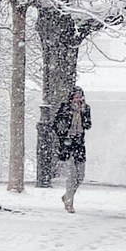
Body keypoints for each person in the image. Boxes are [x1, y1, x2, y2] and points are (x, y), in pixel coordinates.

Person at [49, 79, 91, 212]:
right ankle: (69, 202)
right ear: (71, 97)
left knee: (81, 175)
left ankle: (67, 196)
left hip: (79, 144)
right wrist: (64, 135)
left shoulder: (86, 109)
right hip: (68, 143)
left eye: (80, 96)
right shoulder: (65, 108)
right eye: (76, 96)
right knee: (72, 175)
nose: (78, 99)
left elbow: (88, 125)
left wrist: (83, 112)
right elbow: (56, 125)